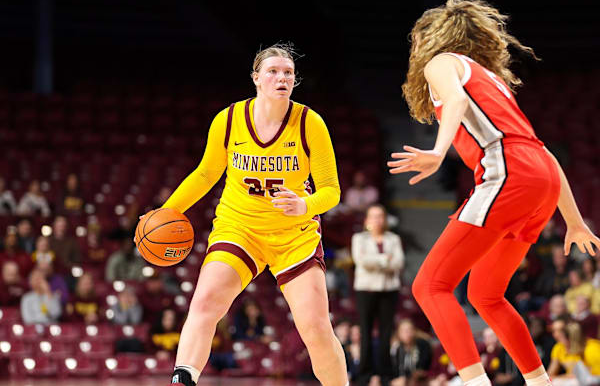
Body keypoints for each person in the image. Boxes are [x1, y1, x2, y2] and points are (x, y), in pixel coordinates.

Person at [390, 0, 600, 386]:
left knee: (429, 286)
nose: (415, 49)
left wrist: (438, 152)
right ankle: (541, 382)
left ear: (431, 36)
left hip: (509, 172)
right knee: (486, 295)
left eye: (416, 40)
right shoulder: (490, 78)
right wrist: (573, 222)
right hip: (540, 175)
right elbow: (541, 152)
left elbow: (454, 100)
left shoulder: (441, 63)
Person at [138, 44, 347, 386]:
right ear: (256, 78)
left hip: (293, 235)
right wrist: (167, 210)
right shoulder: (230, 119)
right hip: (240, 228)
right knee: (204, 302)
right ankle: (182, 378)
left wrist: (305, 205)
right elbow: (206, 174)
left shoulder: (311, 123)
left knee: (316, 328)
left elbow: (331, 191)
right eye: (273, 72)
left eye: (288, 73)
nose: (282, 78)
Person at [352, 204, 405, 386]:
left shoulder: (393, 239)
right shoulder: (359, 238)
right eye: (373, 216)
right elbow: (361, 261)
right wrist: (384, 260)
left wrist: (376, 262)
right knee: (365, 332)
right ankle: (364, 374)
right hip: (365, 290)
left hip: (389, 290)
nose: (377, 220)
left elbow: (398, 262)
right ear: (367, 220)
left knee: (386, 332)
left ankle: (385, 374)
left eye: (380, 216)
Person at [390, 319, 432, 386]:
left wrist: (413, 377)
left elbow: (423, 368)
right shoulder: (395, 348)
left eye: (410, 330)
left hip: (420, 380)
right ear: (398, 333)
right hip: (401, 381)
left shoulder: (423, 345)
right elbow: (392, 371)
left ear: (414, 331)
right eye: (404, 331)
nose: (407, 333)